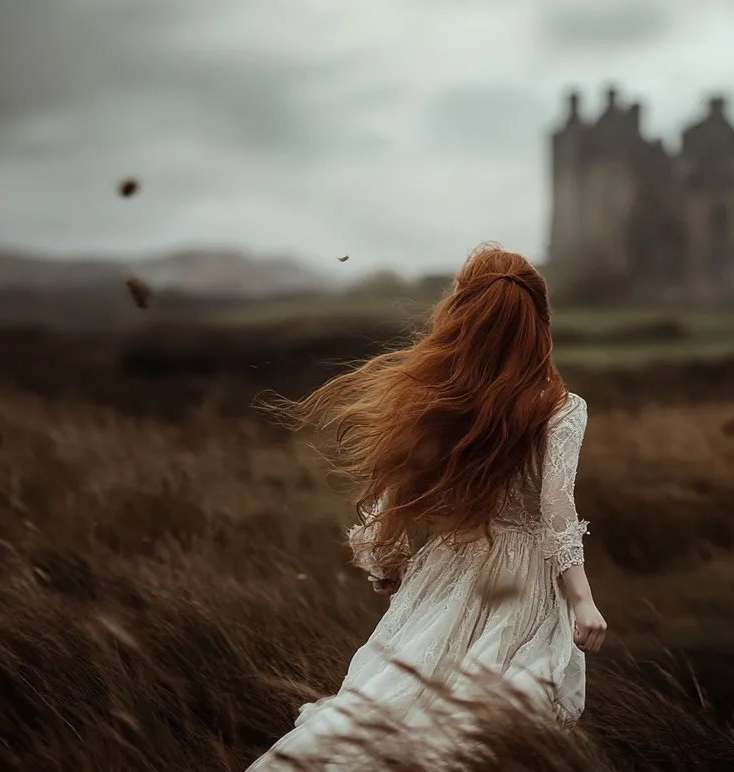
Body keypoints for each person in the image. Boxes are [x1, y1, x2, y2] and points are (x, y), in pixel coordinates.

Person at [246, 245, 606, 770]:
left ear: (461, 314)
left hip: (445, 571)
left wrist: (384, 560)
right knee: (494, 725)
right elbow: (556, 505)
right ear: (540, 321)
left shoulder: (439, 398)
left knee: (399, 699)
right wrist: (582, 599)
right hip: (526, 582)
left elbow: (399, 490)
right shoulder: (561, 407)